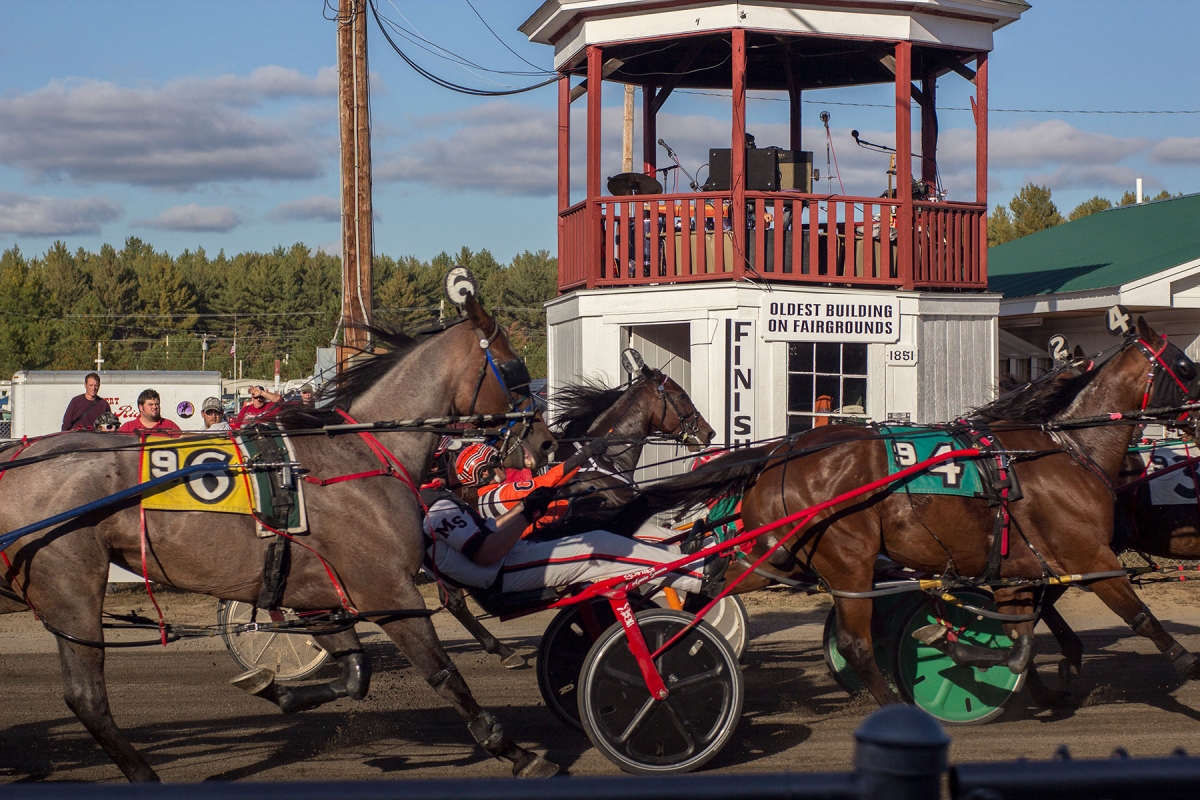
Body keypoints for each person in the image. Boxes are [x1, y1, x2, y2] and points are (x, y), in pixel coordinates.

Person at [421, 477, 714, 597]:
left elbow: (489, 530)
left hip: (507, 564)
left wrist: (527, 506)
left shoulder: (431, 505)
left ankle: (683, 557)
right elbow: (484, 552)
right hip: (502, 572)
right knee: (599, 547)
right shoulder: (436, 507)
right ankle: (700, 573)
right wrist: (526, 515)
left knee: (596, 536)